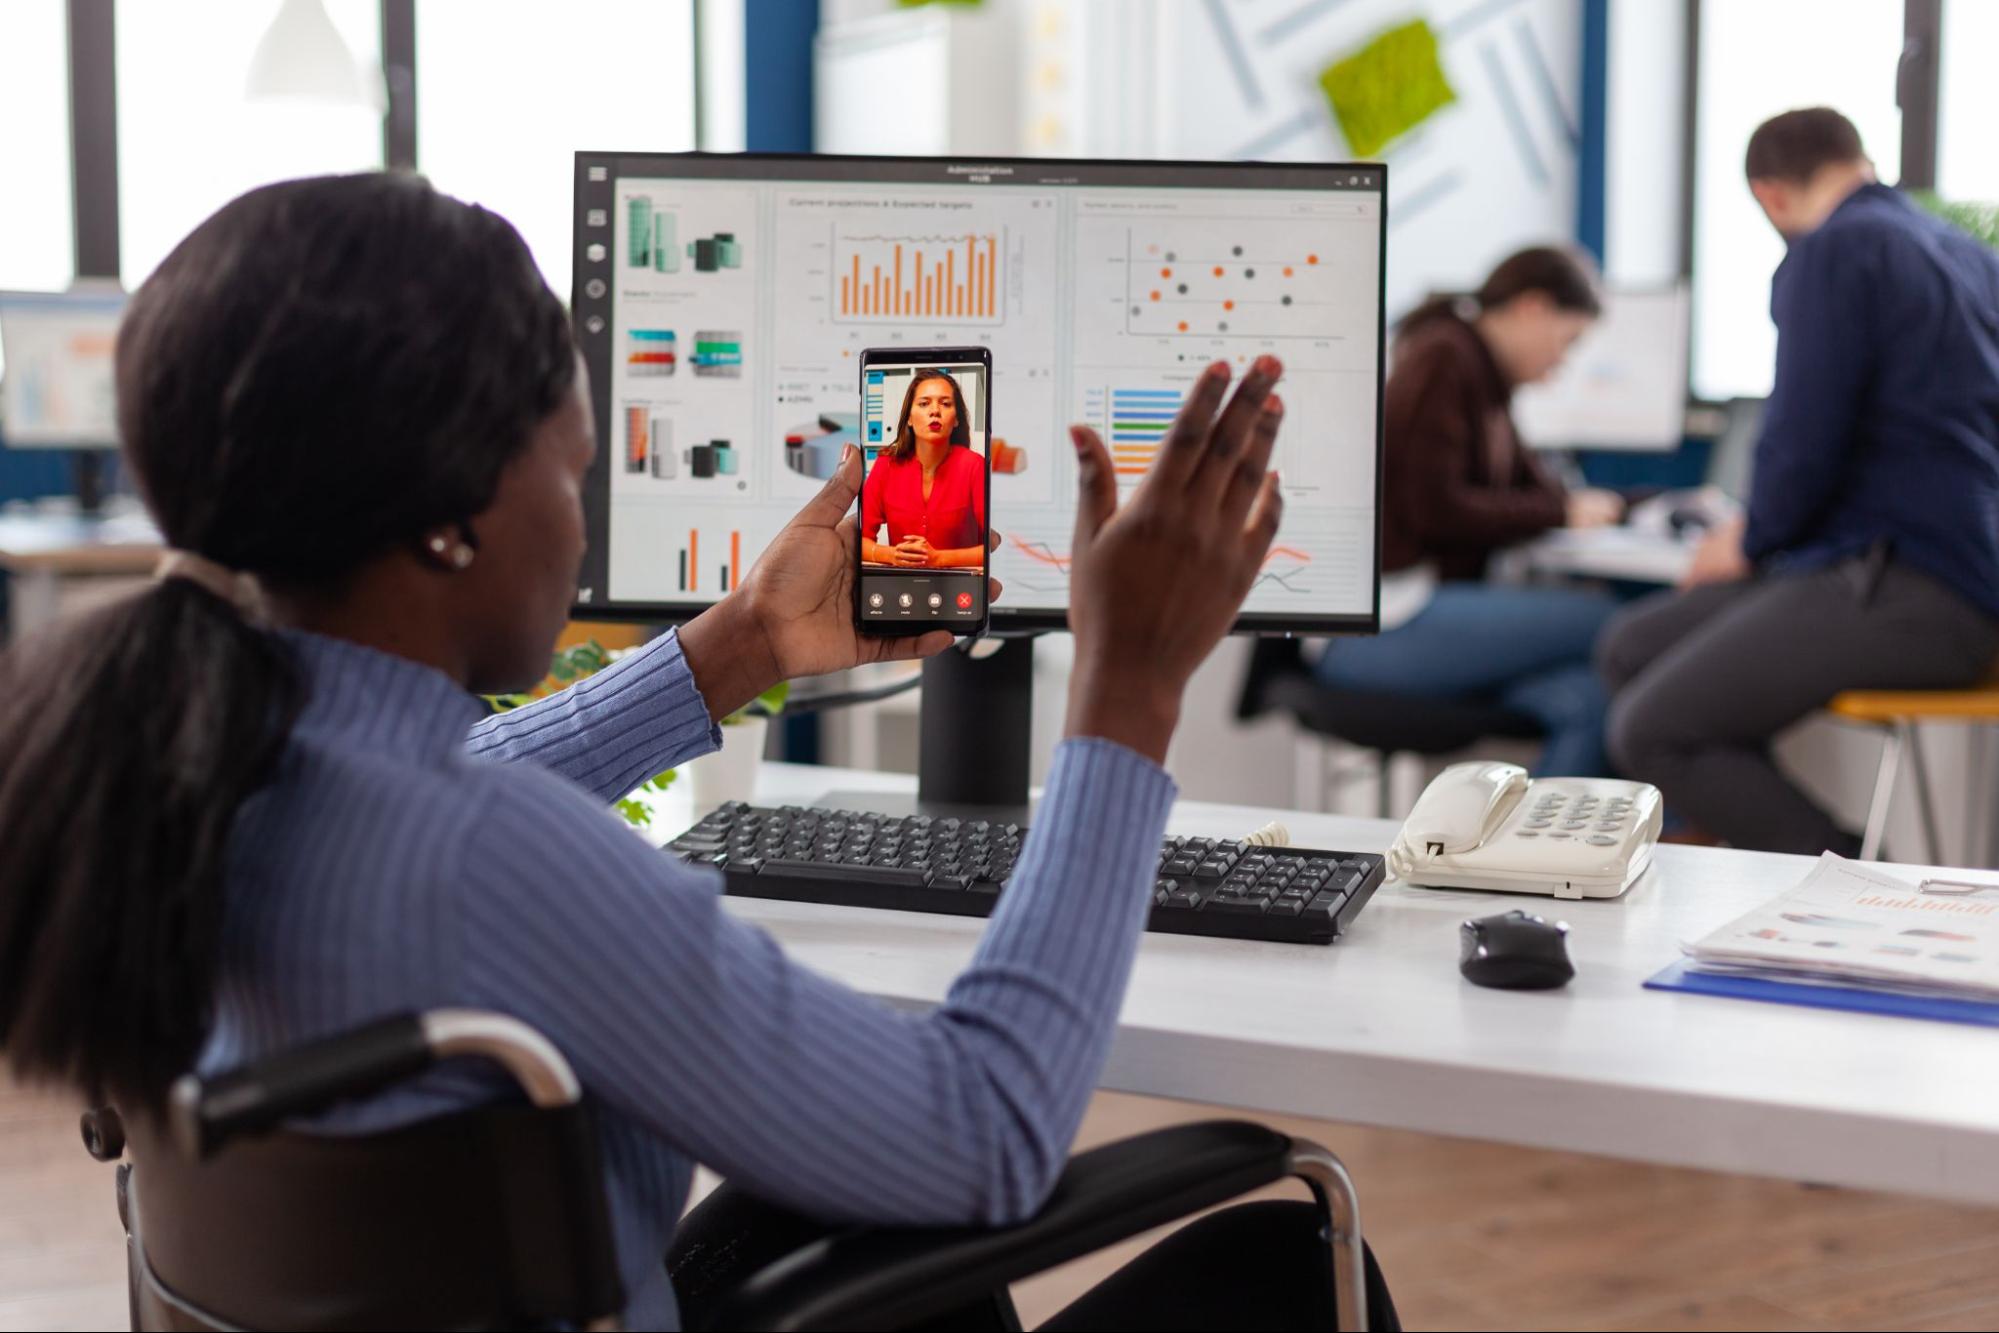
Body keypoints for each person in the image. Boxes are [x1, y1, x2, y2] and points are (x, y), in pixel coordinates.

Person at [0, 175, 1396, 1331]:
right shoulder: (497, 870)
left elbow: (440, 811)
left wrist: (729, 650)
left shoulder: (173, 771)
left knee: (857, 1210)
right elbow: (983, 1133)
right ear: (451, 523)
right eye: (571, 464)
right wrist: (1128, 690)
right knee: (1283, 1258)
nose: (583, 513)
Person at [1598, 108, 1999, 855]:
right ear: (1859, 160)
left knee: (1650, 730)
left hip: (1904, 584)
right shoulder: (1967, 255)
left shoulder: (1834, 250)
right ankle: (1738, 854)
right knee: (1629, 644)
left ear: (1770, 196)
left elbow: (1804, 437)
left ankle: (1861, 885)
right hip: (1943, 576)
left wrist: (1750, 538)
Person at [1314, 246, 1626, 776]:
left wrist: (1607, 506)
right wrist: (1559, 513)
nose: (1561, 362)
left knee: (1592, 698)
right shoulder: (1444, 356)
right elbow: (1436, 509)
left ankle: (1537, 858)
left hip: (1421, 609)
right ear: (1532, 308)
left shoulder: (1485, 378)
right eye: (1567, 341)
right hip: (1384, 623)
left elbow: (1544, 491)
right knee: (1619, 625)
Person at [860, 369, 988, 568]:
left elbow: (990, 547)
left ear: (956, 419)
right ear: (909, 418)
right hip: (902, 585)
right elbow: (859, 541)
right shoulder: (886, 464)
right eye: (924, 403)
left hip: (961, 587)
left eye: (945, 404)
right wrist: (891, 555)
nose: (935, 411)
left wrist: (938, 558)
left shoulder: (974, 466)